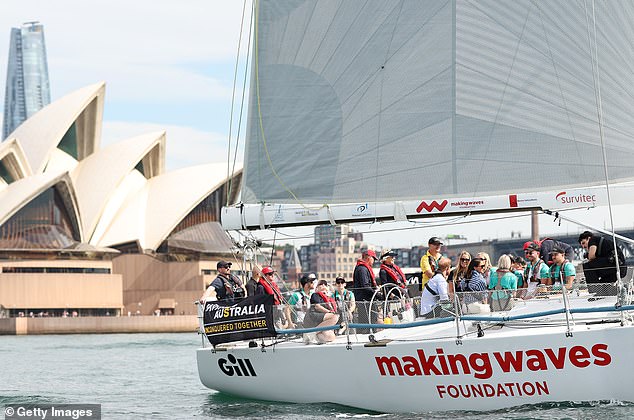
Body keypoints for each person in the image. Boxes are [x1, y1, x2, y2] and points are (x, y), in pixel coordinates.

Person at [353, 249, 379, 332]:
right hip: (365, 302)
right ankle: (367, 337)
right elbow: (365, 286)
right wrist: (378, 294)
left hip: (367, 301)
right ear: (368, 257)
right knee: (367, 323)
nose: (374, 261)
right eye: (373, 259)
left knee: (371, 321)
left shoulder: (362, 268)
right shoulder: (362, 269)